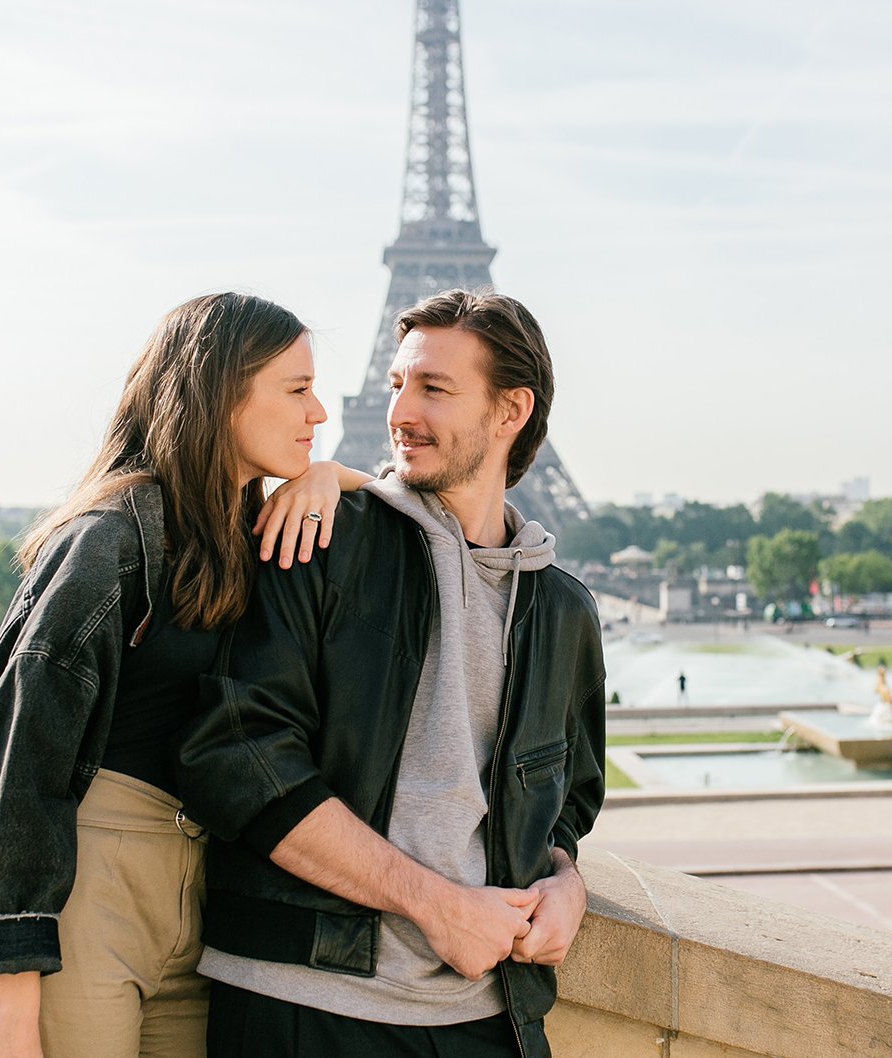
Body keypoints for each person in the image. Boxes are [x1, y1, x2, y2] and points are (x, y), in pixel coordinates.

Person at [0, 293, 370, 1058]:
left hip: (195, 897)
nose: (321, 411)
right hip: (83, 895)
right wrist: (11, 1007)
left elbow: (421, 502)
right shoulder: (110, 539)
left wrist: (333, 476)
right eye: (296, 388)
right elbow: (13, 766)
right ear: (219, 390)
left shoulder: (240, 530)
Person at [177, 289, 605, 1058]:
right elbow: (237, 757)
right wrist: (436, 907)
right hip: (304, 1001)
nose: (400, 410)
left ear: (511, 411)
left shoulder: (564, 612)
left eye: (434, 388)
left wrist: (566, 882)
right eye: (397, 383)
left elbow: (566, 801)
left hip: (488, 1014)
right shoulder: (316, 539)